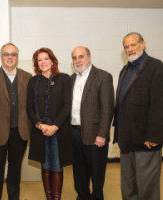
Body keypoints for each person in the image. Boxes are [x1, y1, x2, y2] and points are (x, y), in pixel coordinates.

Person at [113, 32, 163, 200]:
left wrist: (154, 136)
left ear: (143, 44)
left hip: (146, 141)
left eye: (133, 44)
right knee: (128, 188)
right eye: (126, 46)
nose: (129, 49)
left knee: (147, 189)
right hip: (127, 141)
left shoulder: (155, 67)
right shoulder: (125, 70)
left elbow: (162, 106)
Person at [0, 43, 31, 200]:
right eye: (6, 54)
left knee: (15, 171)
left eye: (13, 54)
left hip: (20, 133)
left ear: (17, 57)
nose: (10, 57)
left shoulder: (27, 76)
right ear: (1, 56)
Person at [26, 47, 73, 200]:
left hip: (59, 132)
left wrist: (54, 126)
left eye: (46, 58)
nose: (43, 62)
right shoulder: (33, 82)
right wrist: (40, 125)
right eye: (39, 60)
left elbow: (67, 105)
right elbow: (29, 108)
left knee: (57, 165)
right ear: (36, 64)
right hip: (40, 132)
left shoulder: (64, 79)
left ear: (53, 61)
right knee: (45, 165)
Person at [70, 46, 114, 200]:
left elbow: (107, 109)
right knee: (79, 172)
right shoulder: (72, 79)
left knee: (96, 174)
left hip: (95, 135)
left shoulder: (103, 77)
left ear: (89, 57)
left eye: (81, 57)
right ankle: (82, 196)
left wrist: (102, 135)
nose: (78, 61)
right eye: (74, 58)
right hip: (74, 134)